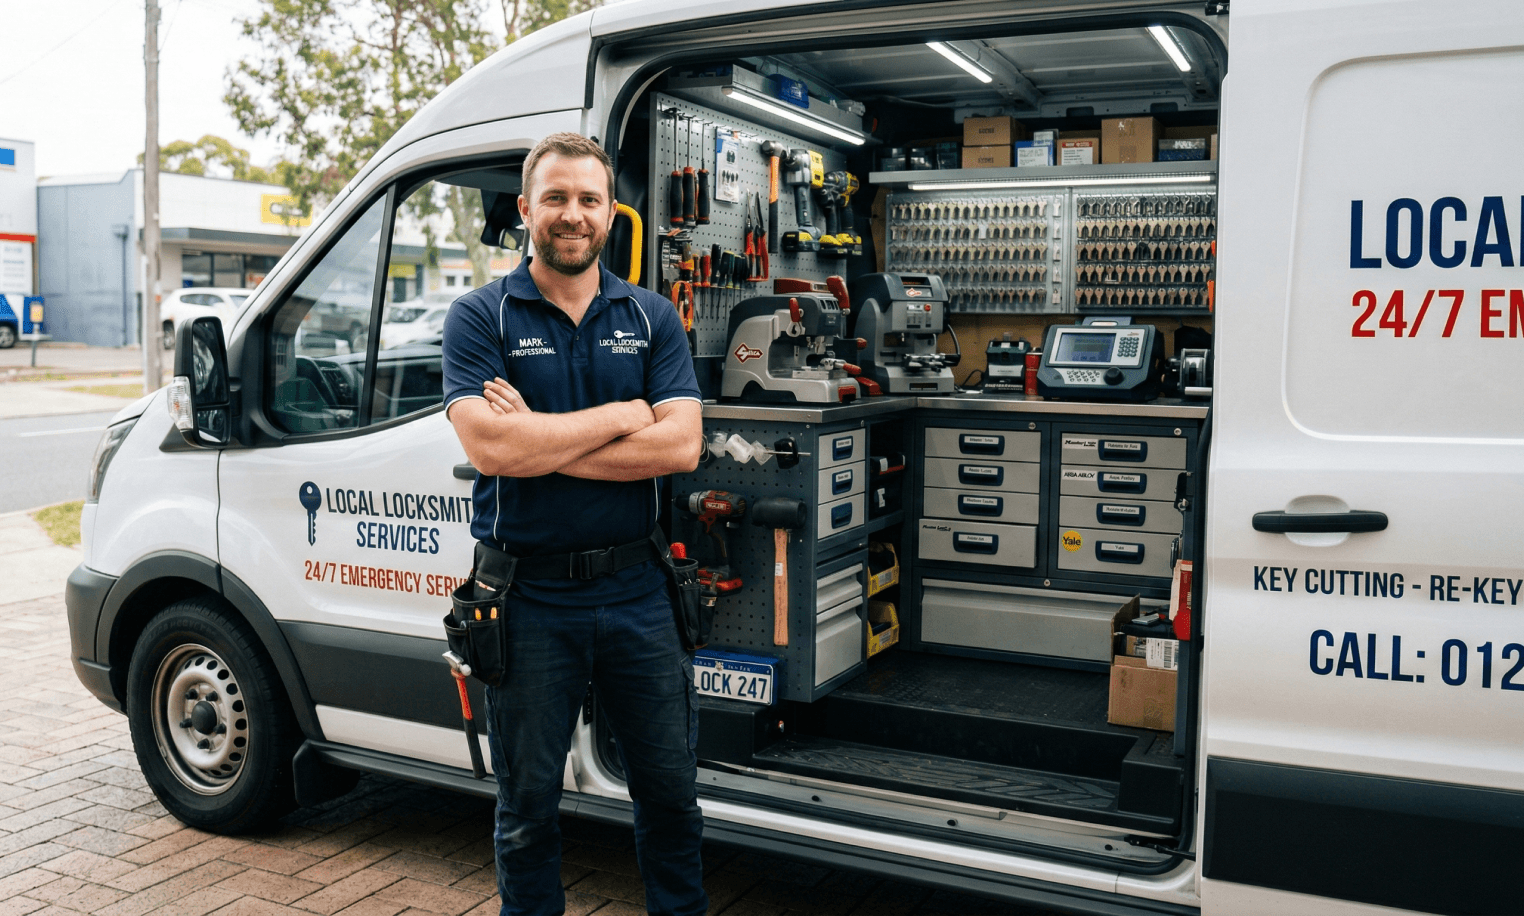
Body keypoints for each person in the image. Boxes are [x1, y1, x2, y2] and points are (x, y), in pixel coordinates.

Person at [441, 132, 707, 916]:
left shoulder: (651, 316)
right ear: (526, 209)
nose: (572, 215)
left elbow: (682, 445)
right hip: (527, 601)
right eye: (555, 197)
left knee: (670, 804)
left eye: (589, 199)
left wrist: (541, 443)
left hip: (639, 592)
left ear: (611, 213)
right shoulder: (479, 315)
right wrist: (626, 419)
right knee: (525, 816)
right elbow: (490, 444)